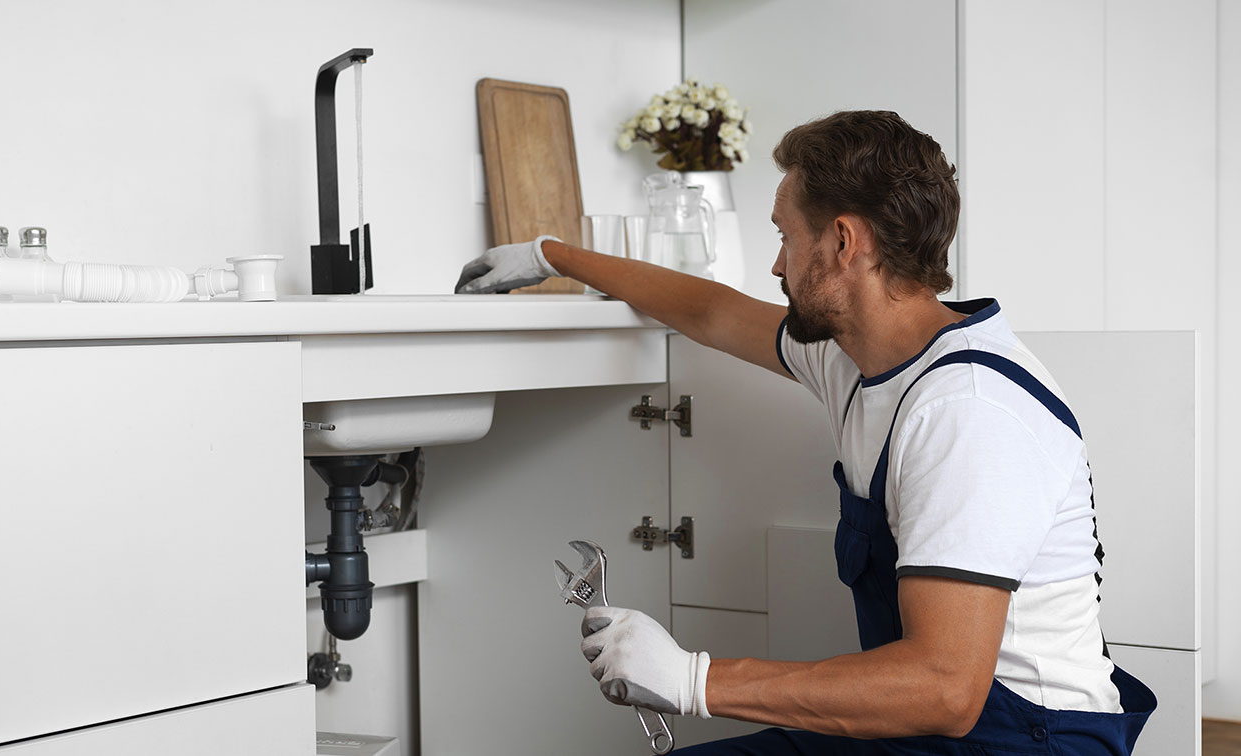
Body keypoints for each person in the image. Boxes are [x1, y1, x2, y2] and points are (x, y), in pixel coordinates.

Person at [454, 110, 1156, 754]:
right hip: (922, 726)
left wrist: (695, 680)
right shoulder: (852, 358)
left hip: (1021, 740)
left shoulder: (966, 411)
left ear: (844, 242)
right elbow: (709, 309)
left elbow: (945, 687)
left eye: (785, 236)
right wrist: (553, 257)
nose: (777, 264)